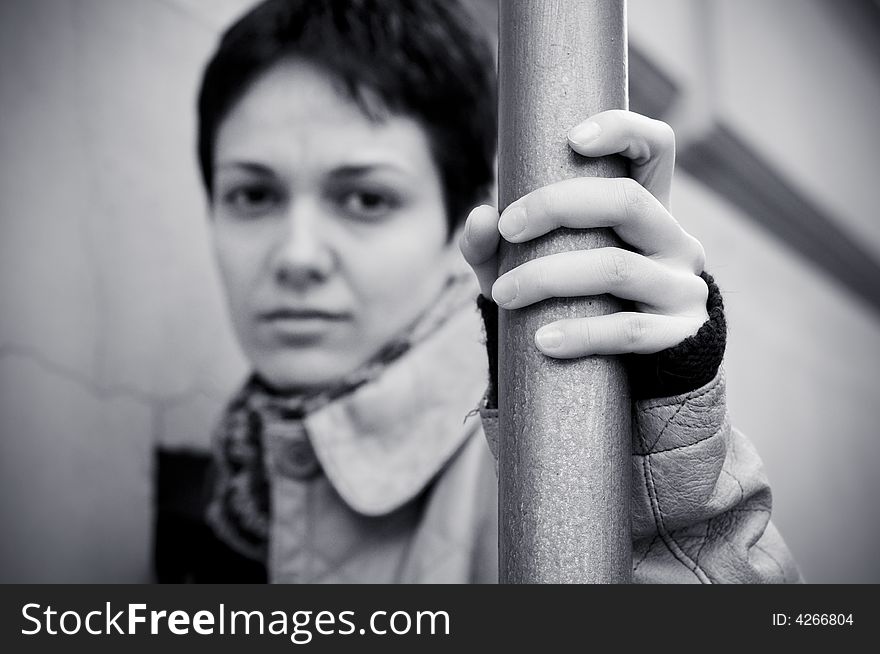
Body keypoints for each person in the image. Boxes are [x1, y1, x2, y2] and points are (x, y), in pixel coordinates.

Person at [154, 0, 801, 583]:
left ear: (461, 222)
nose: (296, 257)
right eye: (253, 194)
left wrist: (662, 485)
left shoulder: (540, 465)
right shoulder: (228, 479)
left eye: (366, 198)